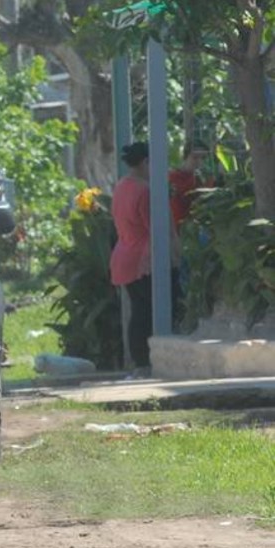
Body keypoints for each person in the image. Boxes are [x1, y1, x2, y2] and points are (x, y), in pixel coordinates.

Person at [110, 142, 160, 375]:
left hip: (123, 256)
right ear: (146, 162)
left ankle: (139, 362)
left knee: (138, 311)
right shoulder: (145, 191)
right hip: (142, 259)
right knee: (148, 312)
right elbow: (154, 230)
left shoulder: (121, 186)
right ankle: (145, 361)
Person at [168, 142, 211, 228]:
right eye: (195, 157)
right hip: (176, 227)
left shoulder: (203, 179)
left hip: (195, 228)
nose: (199, 162)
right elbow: (186, 196)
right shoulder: (172, 177)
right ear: (185, 157)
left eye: (203, 158)